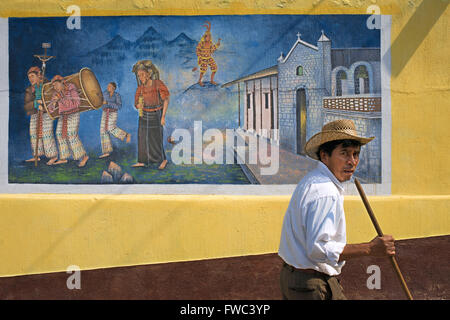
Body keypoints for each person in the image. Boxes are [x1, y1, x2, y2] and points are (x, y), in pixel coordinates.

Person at [278, 119, 395, 300]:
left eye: (355, 154)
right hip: (312, 284)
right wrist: (370, 248)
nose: (352, 161)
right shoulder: (325, 191)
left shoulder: (313, 180)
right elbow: (318, 249)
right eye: (344, 153)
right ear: (324, 156)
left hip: (298, 280)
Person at [132, 62, 169, 169]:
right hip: (143, 114)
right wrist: (139, 105)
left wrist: (163, 116)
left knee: (156, 138)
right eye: (139, 76)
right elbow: (136, 104)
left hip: (156, 114)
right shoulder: (140, 89)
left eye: (143, 74)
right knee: (142, 137)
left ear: (149, 74)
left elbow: (166, 99)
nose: (141, 77)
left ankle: (163, 160)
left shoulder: (157, 84)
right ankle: (142, 161)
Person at [47, 75, 89, 167]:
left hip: (73, 114)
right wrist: (53, 103)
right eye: (53, 86)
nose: (55, 87)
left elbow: (77, 104)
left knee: (71, 135)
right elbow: (50, 109)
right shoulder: (56, 93)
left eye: (56, 85)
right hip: (63, 115)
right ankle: (63, 157)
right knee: (59, 134)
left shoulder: (71, 89)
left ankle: (83, 156)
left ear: (62, 82)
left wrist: (61, 99)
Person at [24, 66, 58, 165]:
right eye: (29, 77)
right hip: (35, 113)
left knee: (46, 133)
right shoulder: (29, 90)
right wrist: (35, 103)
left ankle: (53, 156)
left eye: (32, 76)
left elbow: (53, 98)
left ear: (39, 75)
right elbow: (27, 105)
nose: (31, 79)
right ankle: (37, 155)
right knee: (34, 133)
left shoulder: (47, 85)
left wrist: (43, 103)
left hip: (46, 113)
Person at [99, 82, 131, 158]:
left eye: (110, 86)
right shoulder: (104, 94)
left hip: (112, 113)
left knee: (111, 128)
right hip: (105, 112)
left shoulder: (117, 95)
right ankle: (106, 151)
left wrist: (108, 103)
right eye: (108, 86)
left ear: (114, 88)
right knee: (103, 130)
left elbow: (119, 106)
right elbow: (100, 102)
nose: (108, 87)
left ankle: (126, 135)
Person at [194, 21, 221, 86]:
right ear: (205, 37)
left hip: (209, 58)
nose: (208, 38)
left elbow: (212, 49)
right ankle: (199, 81)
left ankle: (212, 80)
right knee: (203, 70)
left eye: (209, 37)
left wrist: (217, 44)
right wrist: (200, 57)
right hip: (203, 59)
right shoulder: (201, 43)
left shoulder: (210, 43)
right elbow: (197, 50)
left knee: (214, 68)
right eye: (207, 37)